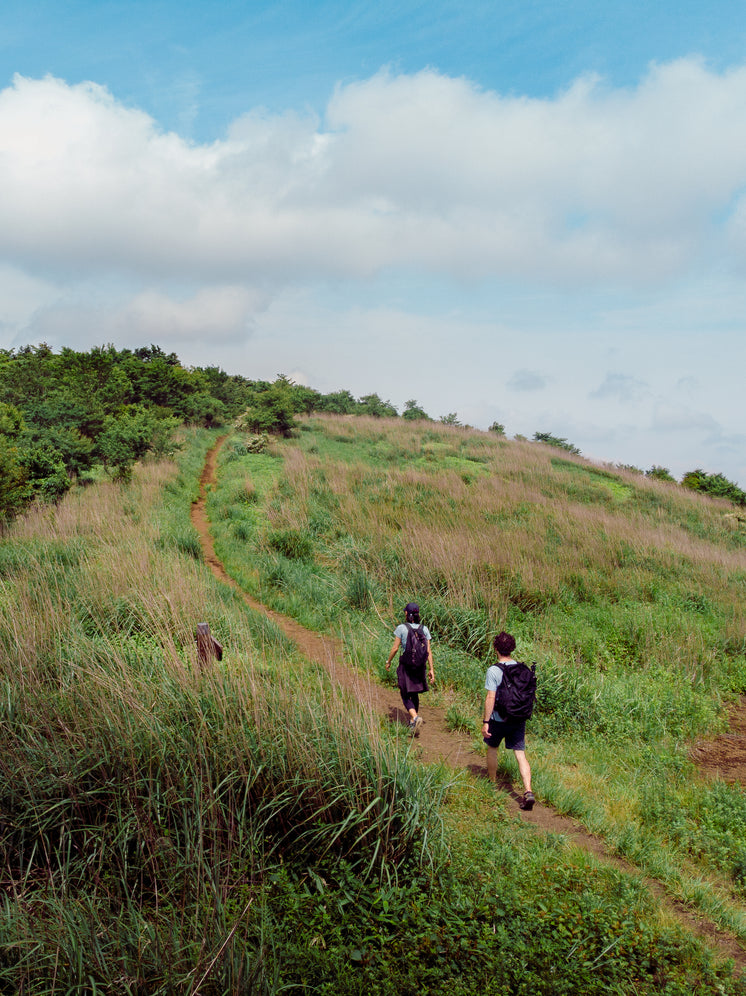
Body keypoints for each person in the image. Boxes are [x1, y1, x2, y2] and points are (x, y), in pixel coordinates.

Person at [482, 631, 535, 810]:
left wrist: (486, 721)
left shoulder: (494, 670)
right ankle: (528, 791)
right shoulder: (522, 669)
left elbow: (490, 698)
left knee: (492, 748)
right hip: (518, 718)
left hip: (498, 719)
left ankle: (492, 784)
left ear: (496, 648)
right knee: (520, 754)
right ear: (512, 648)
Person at [385, 602, 435, 735]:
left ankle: (415, 717)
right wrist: (431, 669)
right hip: (420, 666)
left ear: (406, 613)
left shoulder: (402, 628)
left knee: (404, 693)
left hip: (406, 666)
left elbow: (395, 648)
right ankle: (413, 723)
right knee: (415, 693)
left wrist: (388, 661)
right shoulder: (424, 629)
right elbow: (428, 651)